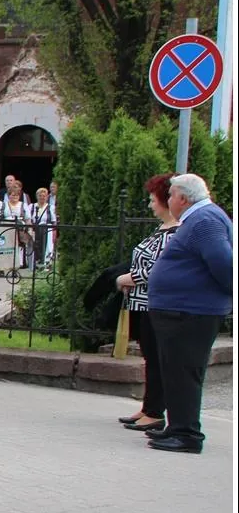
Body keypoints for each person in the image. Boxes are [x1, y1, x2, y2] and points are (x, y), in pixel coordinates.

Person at [143, 173, 232, 455]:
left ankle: (186, 434)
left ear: (182, 198)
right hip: (183, 311)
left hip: (190, 312)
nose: (168, 201)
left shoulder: (204, 220)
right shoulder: (199, 218)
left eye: (170, 196)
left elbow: (224, 263)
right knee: (176, 371)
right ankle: (177, 426)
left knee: (183, 373)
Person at [114, 173, 179, 433]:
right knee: (149, 358)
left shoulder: (174, 232)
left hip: (154, 303)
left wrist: (127, 278)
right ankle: (148, 407)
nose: (151, 204)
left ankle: (155, 411)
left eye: (153, 199)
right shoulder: (160, 229)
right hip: (141, 303)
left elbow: (159, 270)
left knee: (156, 358)